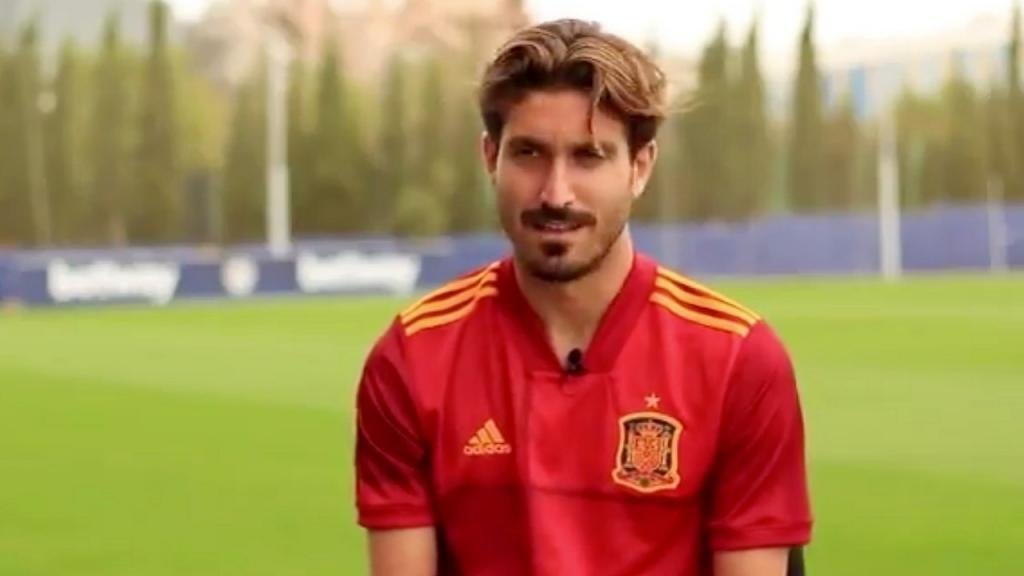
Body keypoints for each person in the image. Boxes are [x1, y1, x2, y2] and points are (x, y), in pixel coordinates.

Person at [354, 18, 812, 576]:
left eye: (589, 156)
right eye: (529, 154)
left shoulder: (739, 359)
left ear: (639, 168)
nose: (556, 192)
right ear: (489, 157)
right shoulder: (412, 358)